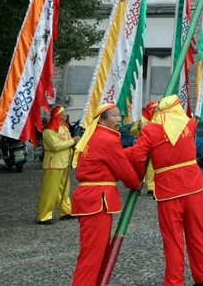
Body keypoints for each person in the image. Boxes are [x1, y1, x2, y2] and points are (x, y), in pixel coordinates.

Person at [127, 96, 203, 286]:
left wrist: (136, 178)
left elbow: (137, 156)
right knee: (198, 235)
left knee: (173, 240)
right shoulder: (190, 125)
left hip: (168, 191)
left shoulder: (150, 130)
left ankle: (174, 282)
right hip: (193, 187)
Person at [70, 104, 142, 286]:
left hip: (90, 198)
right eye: (114, 116)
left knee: (94, 252)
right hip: (97, 200)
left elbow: (113, 158)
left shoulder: (96, 136)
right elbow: (122, 168)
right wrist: (135, 183)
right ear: (102, 119)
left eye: (119, 115)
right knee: (92, 255)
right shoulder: (107, 139)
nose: (118, 119)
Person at [36, 105, 78, 224]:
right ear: (58, 115)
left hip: (64, 163)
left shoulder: (64, 127)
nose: (66, 114)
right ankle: (44, 215)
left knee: (64, 189)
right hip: (53, 163)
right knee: (50, 190)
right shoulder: (49, 130)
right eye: (63, 112)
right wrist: (72, 141)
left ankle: (65, 211)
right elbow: (55, 146)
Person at [130, 101, 158, 194]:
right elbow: (132, 132)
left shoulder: (157, 119)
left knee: (151, 166)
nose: (157, 110)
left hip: (153, 145)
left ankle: (151, 186)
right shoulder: (140, 119)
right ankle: (137, 184)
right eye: (155, 108)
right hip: (141, 145)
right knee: (139, 166)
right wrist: (137, 128)